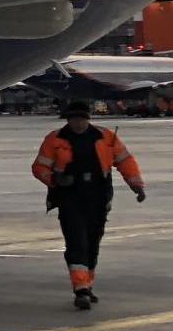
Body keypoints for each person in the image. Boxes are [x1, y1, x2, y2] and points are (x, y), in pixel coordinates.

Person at [32, 99, 145, 309]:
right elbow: (39, 167)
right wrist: (55, 180)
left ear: (87, 119)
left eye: (80, 119)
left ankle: (87, 284)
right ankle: (80, 289)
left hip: (98, 196)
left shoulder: (105, 137)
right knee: (77, 242)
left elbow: (125, 161)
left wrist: (136, 184)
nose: (77, 123)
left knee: (93, 243)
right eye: (72, 119)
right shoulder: (55, 139)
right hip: (69, 196)